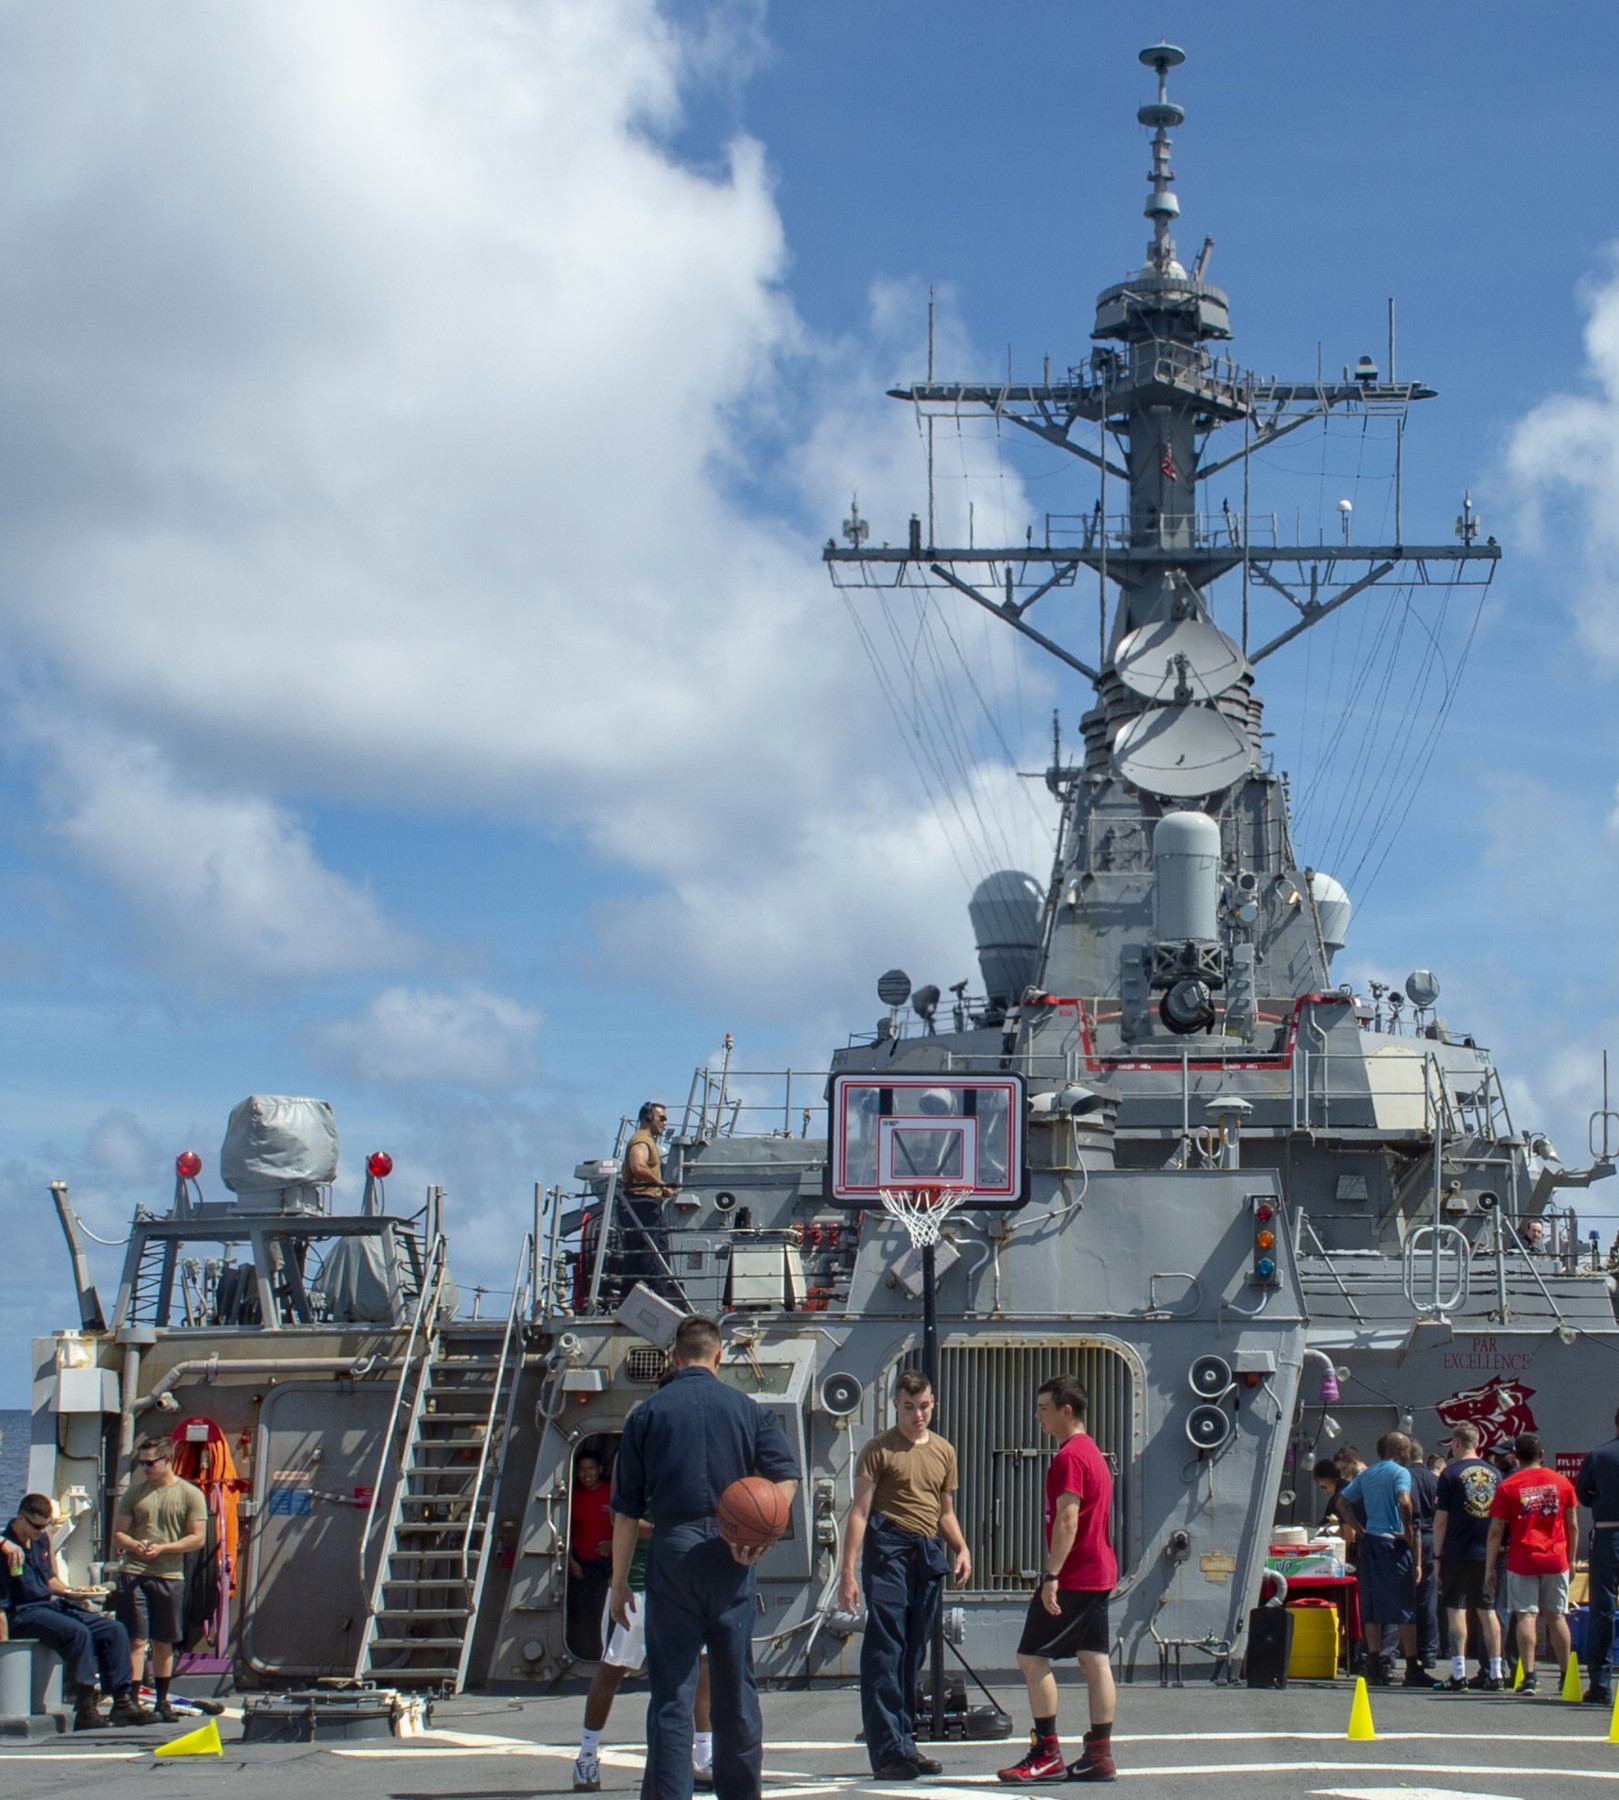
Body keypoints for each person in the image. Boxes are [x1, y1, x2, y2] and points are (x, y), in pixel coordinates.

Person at [610, 1313, 798, 1800]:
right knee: (735, 1690)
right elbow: (786, 1477)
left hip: (672, 1551)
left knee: (672, 1692)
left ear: (674, 1357)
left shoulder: (647, 1414)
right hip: (730, 1552)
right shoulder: (747, 1408)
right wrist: (765, 1535)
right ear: (720, 1356)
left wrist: (617, 1585)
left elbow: (626, 1512)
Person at [838, 1369, 972, 1780]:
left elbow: (944, 1511)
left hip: (928, 1551)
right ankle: (887, 1752)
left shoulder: (944, 1452)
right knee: (886, 1649)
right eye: (910, 1407)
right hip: (888, 1549)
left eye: (925, 1406)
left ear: (934, 1404)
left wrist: (962, 1547)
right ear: (896, 1404)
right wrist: (848, 1571)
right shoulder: (878, 1451)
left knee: (914, 1652)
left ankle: (905, 1742)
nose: (918, 1415)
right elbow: (860, 1512)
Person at [997, 1374, 1118, 1786]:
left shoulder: (1069, 1457)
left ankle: (1046, 1753)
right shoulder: (1095, 1454)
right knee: (1094, 1658)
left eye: (1043, 1409)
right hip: (1100, 1571)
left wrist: (1052, 1576)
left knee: (1032, 1657)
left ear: (1067, 1410)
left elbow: (1068, 1518)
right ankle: (1099, 1754)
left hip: (1077, 1575)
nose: (1038, 1417)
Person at [574, 1518, 714, 1792]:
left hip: (684, 1583)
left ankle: (704, 1755)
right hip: (636, 1584)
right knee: (612, 1670)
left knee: (701, 1665)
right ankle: (587, 1755)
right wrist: (675, 1530)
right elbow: (622, 1518)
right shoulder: (633, 1473)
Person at [0, 1494, 149, 1729]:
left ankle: (122, 1700)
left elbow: (49, 1579)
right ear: (20, 1518)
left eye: (46, 1525)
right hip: (23, 1611)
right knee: (77, 1632)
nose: (42, 1531)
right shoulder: (6, 1544)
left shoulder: (40, 1540)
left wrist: (73, 1592)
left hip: (49, 1604)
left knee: (113, 1629)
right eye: (37, 1526)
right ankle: (85, 1705)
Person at [109, 1437, 208, 1722]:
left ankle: (162, 1700)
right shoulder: (135, 1494)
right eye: (141, 1462)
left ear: (167, 1460)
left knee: (164, 1640)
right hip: (134, 1573)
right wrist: (135, 1545)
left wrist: (163, 1548)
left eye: (150, 1462)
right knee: (135, 1639)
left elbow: (197, 1538)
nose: (145, 1468)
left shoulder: (190, 1495)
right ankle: (134, 1699)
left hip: (169, 1574)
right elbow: (119, 1533)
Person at [1485, 1430, 1578, 1697]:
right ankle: (1565, 1675)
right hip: (1555, 1557)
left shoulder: (1508, 1486)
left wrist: (1490, 1566)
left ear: (1516, 1456)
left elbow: (1496, 1529)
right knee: (1556, 1615)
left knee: (1526, 1615)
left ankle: (1529, 1676)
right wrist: (1571, 1559)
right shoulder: (1562, 1483)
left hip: (1522, 1557)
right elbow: (1572, 1526)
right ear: (1542, 1455)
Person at [1340, 1431, 1422, 1686]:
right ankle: (1412, 1667)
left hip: (1371, 1541)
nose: (1409, 1454)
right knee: (1404, 1606)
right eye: (1407, 1449)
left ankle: (1373, 1663)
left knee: (1372, 1605)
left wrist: (1358, 1527)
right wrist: (1408, 1532)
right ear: (1399, 1450)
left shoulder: (1367, 1474)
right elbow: (1404, 1501)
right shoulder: (1400, 1473)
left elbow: (1343, 1502)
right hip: (1392, 1542)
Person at [1430, 1421, 1504, 1693]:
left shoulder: (1450, 1475)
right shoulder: (1495, 1473)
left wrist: (1437, 1557)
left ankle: (1459, 1673)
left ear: (1456, 1443)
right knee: (1487, 1610)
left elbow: (1440, 1521)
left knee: (1456, 1609)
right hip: (1486, 1551)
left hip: (1456, 1551)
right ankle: (1496, 1673)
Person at [1575, 1404, 1619, 1706]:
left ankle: (1601, 1683)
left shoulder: (1600, 1456)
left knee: (1603, 1607)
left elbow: (1583, 1495)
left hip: (1609, 1532)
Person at [621, 1101, 678, 1295]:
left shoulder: (649, 1140)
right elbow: (638, 1166)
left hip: (648, 1205)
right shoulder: (642, 1140)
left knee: (653, 1258)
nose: (664, 1123)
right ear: (647, 1118)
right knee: (650, 1259)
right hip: (642, 1205)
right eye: (661, 1118)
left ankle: (640, 1300)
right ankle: (654, 1302)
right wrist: (662, 1186)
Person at [568, 1452, 615, 1662]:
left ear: (600, 1470)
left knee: (607, 1613)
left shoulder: (612, 1493)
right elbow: (565, 1531)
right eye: (582, 1469)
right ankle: (589, 1655)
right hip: (582, 1565)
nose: (586, 1474)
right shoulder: (572, 1496)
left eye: (590, 1469)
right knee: (584, 1615)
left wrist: (613, 1544)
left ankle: (610, 1657)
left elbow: (627, 1524)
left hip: (608, 1565)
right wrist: (571, 1562)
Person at [1405, 1438, 1440, 1669]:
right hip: (1432, 1537)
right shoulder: (1434, 1478)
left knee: (1404, 1598)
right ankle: (1429, 1652)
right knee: (1429, 1598)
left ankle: (1407, 1649)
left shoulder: (1405, 1477)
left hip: (1410, 1537)